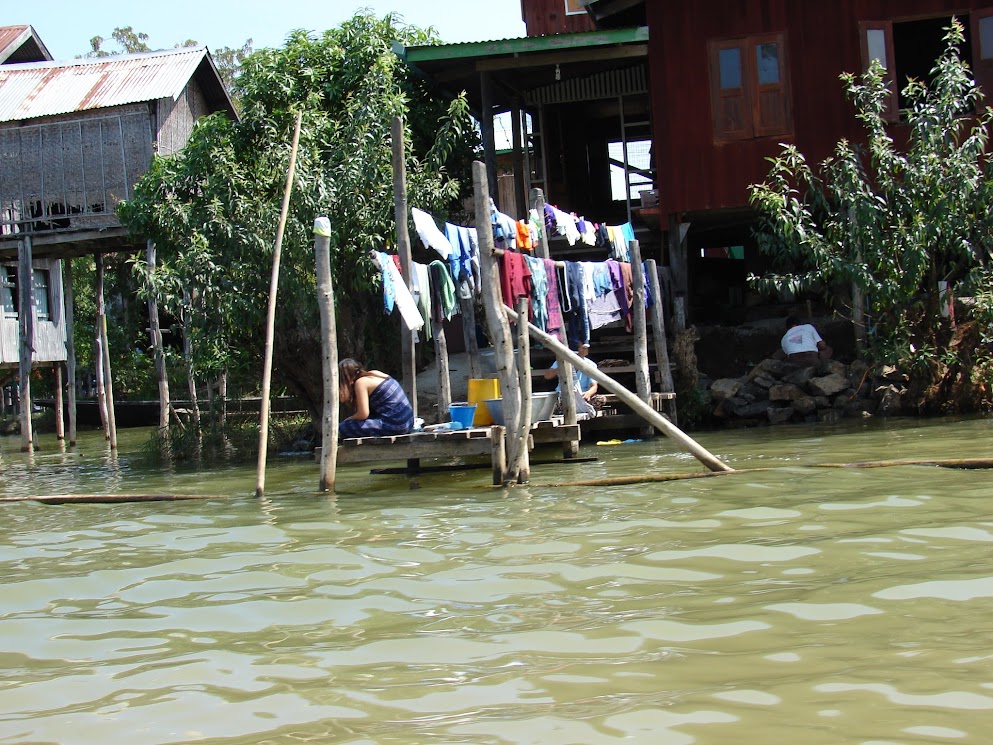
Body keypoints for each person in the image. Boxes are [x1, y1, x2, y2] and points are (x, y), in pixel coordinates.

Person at [338, 358, 414, 438]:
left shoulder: (361, 382)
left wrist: (349, 419)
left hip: (396, 425)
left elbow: (363, 414)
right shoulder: (375, 373)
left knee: (343, 427)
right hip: (408, 422)